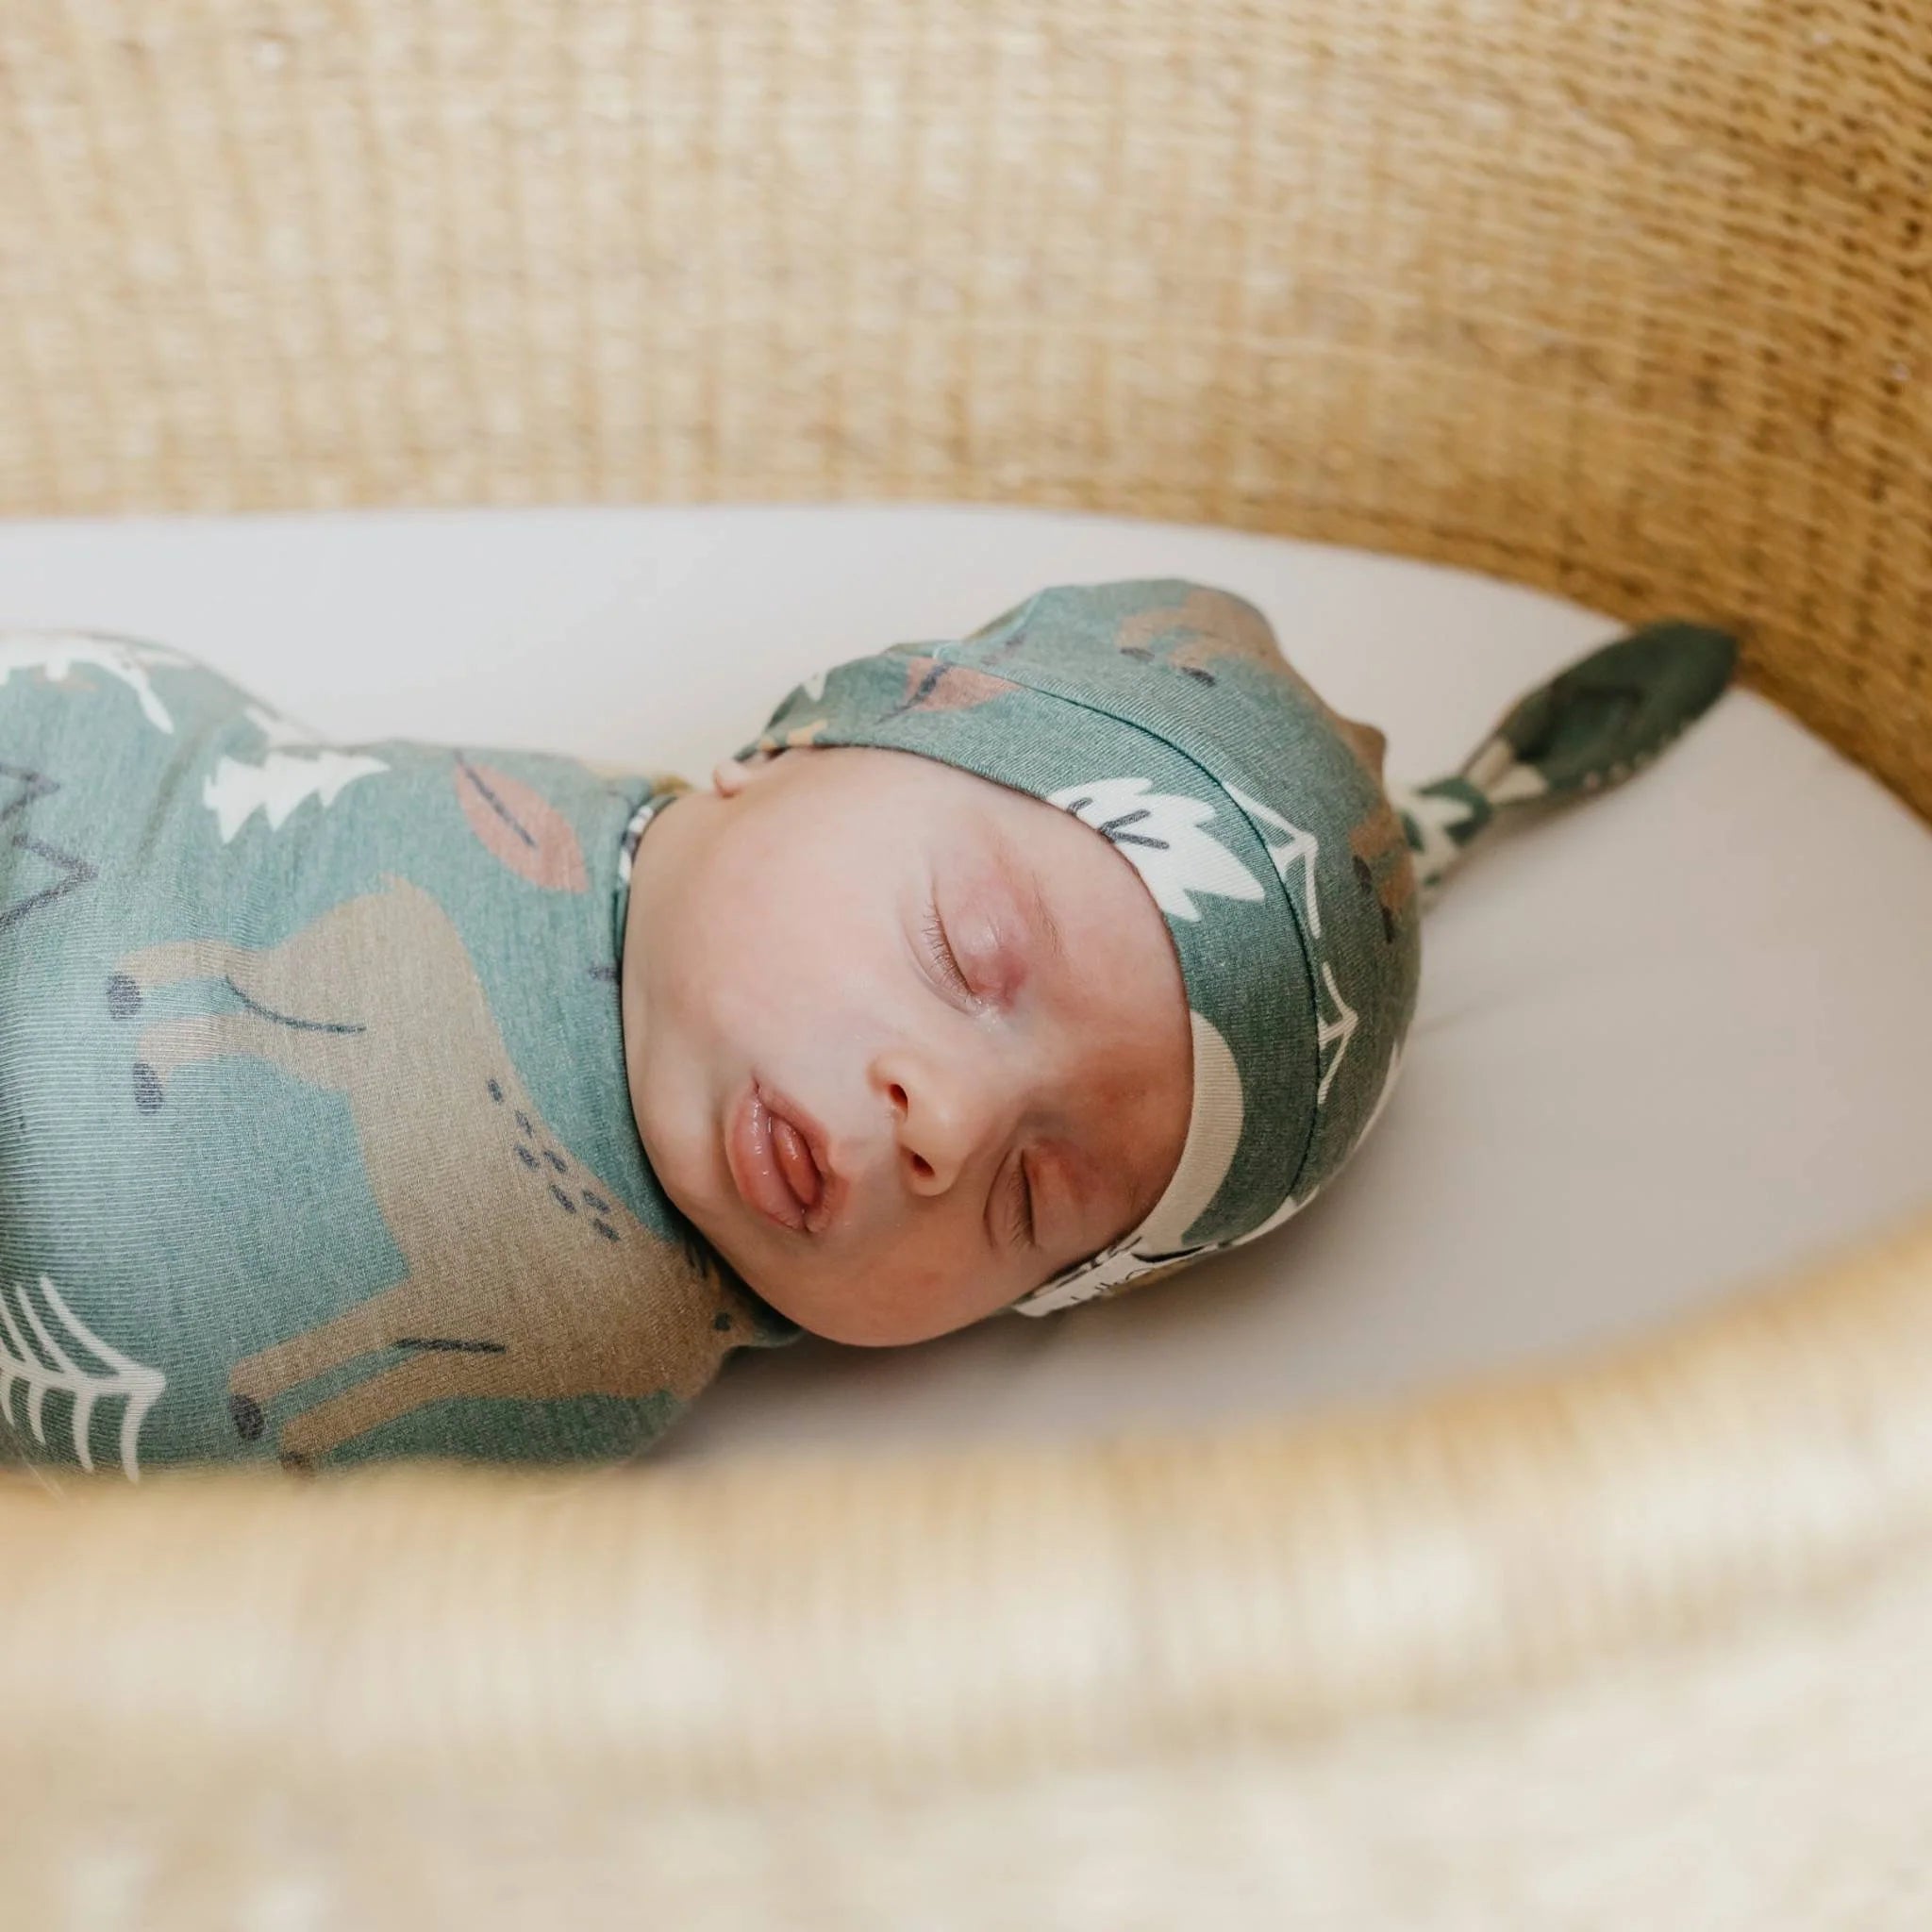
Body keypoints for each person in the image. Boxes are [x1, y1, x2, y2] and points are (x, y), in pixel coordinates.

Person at [0, 582, 1733, 1475]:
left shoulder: (620, 1373)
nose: (947, 1123)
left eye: (1039, 1202)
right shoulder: (534, 853)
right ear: (786, 753)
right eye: (966, 952)